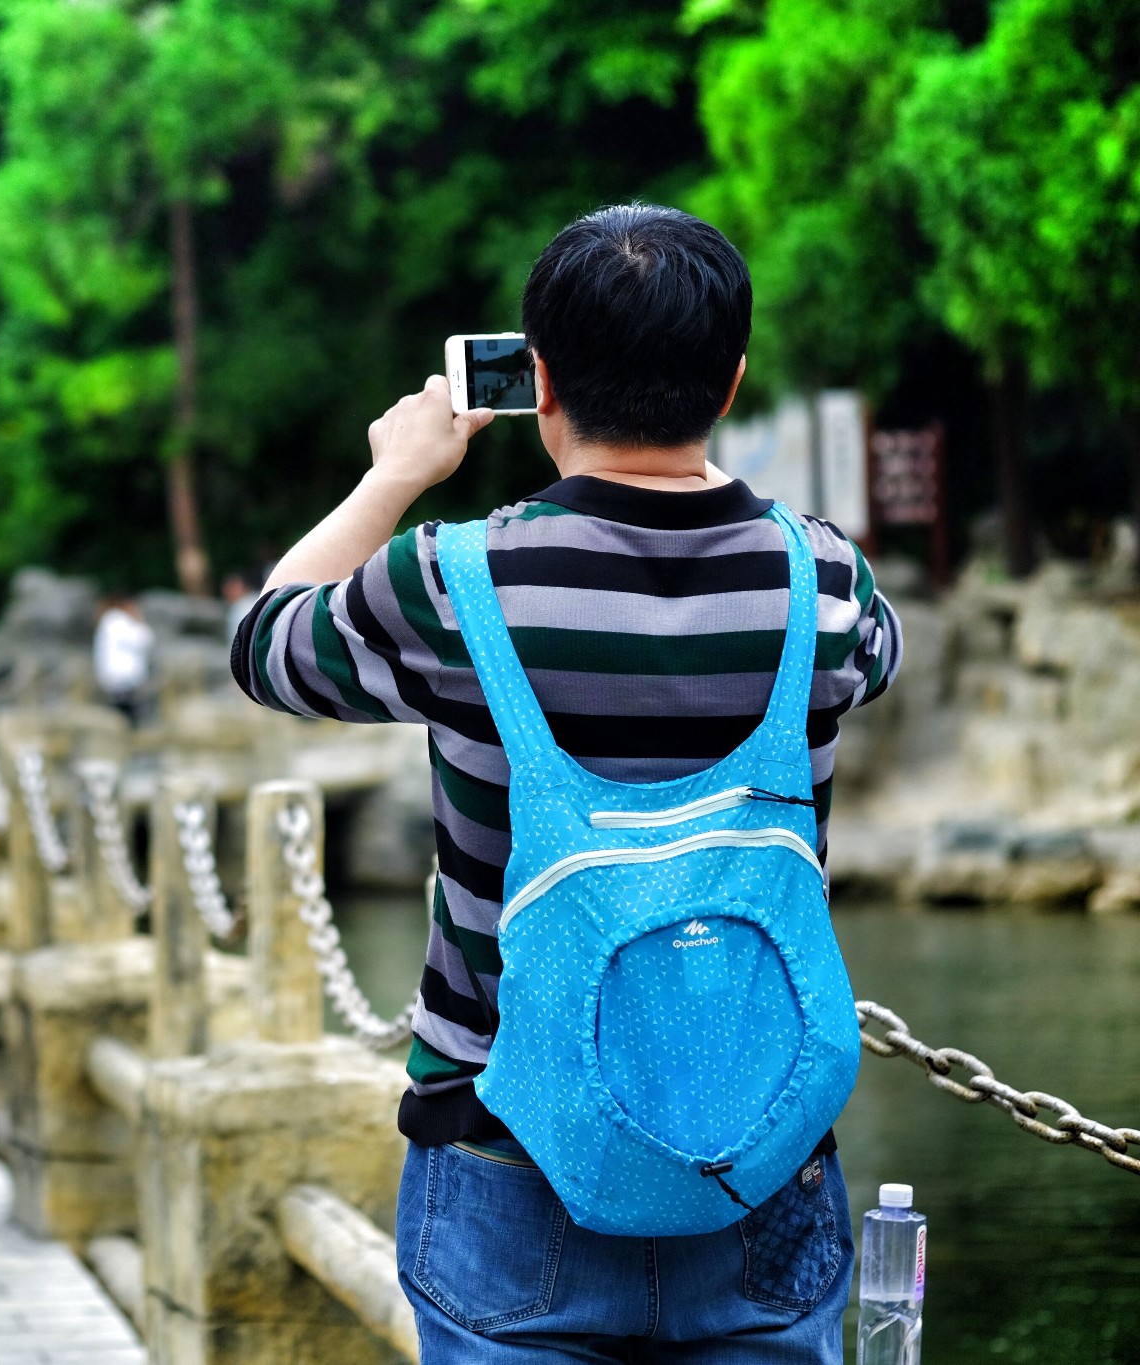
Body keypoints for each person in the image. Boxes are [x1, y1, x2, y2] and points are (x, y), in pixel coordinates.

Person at [232, 204, 902, 1361]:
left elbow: (264, 641)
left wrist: (394, 476)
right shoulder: (824, 581)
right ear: (731, 381)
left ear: (533, 380)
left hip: (503, 1151)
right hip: (759, 1152)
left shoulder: (447, 582)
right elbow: (876, 657)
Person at [92, 594, 154, 721]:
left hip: (114, 679)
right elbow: (143, 640)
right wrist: (139, 620)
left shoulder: (108, 621)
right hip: (123, 680)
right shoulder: (118, 621)